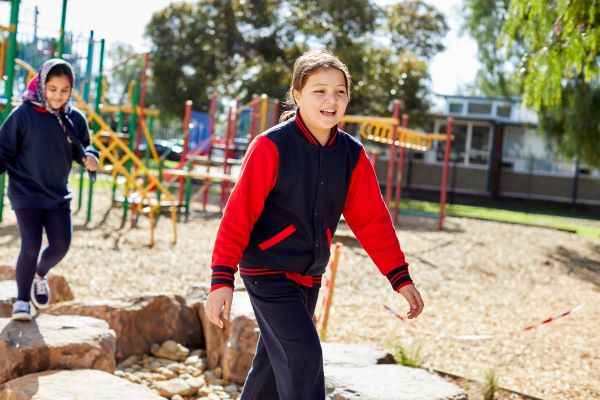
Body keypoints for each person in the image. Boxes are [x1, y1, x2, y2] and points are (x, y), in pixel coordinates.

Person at [205, 49, 424, 399]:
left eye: (340, 91)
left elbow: (372, 220)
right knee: (304, 359)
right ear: (297, 95)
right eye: (319, 90)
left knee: (272, 372)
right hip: (266, 272)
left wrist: (399, 275)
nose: (331, 99)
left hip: (309, 276)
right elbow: (238, 215)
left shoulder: (351, 154)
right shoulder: (270, 146)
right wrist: (221, 279)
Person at [0, 58, 99, 321]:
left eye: (64, 90)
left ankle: (39, 275)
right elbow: (4, 149)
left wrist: (90, 157)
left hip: (57, 195)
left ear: (71, 90)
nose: (58, 95)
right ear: (43, 85)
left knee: (61, 245)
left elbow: (86, 147)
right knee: (30, 245)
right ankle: (22, 301)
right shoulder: (23, 114)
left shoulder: (74, 118)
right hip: (25, 192)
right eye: (53, 88)